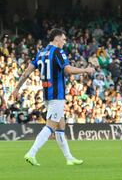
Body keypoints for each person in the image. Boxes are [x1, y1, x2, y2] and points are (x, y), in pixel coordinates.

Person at [12, 28, 95, 166]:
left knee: (60, 125)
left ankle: (69, 158)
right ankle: (31, 153)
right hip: (57, 94)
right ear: (56, 38)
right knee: (51, 125)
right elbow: (68, 70)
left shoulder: (41, 52)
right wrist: (85, 70)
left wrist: (17, 88)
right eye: (63, 39)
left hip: (47, 94)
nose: (64, 42)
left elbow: (27, 72)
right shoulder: (57, 51)